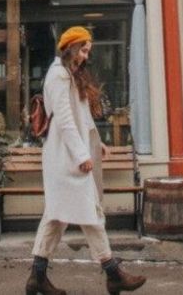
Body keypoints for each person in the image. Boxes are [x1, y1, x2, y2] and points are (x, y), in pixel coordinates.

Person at [27, 26, 147, 295]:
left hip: (69, 155)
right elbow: (65, 119)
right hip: (65, 158)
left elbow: (80, 115)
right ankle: (113, 272)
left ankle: (37, 277)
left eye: (87, 50)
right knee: (90, 213)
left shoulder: (69, 75)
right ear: (70, 47)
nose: (85, 55)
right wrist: (82, 155)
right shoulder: (58, 75)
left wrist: (97, 143)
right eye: (83, 49)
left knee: (55, 218)